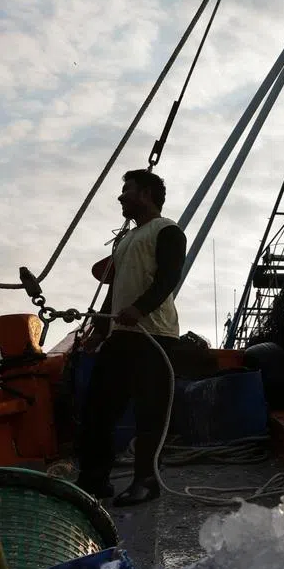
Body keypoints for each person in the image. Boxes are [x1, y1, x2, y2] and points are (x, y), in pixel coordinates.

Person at [77, 170, 185, 506]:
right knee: (98, 409)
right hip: (121, 336)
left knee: (149, 413)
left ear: (147, 193)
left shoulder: (167, 231)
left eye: (128, 191)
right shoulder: (124, 242)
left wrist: (139, 309)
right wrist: (99, 331)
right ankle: (94, 480)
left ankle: (146, 482)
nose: (121, 197)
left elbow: (168, 278)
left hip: (154, 336)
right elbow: (114, 294)